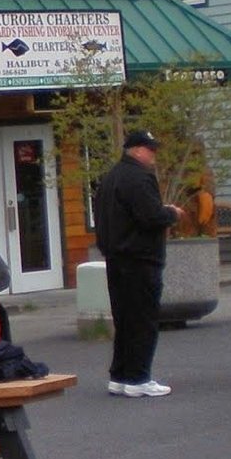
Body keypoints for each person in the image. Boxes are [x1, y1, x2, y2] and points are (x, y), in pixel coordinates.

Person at [93, 129, 185, 397]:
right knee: (143, 319)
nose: (153, 155)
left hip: (115, 257)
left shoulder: (111, 177)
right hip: (140, 258)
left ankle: (120, 375)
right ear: (136, 149)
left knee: (124, 318)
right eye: (150, 149)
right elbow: (150, 216)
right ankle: (139, 377)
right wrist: (171, 213)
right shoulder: (140, 177)